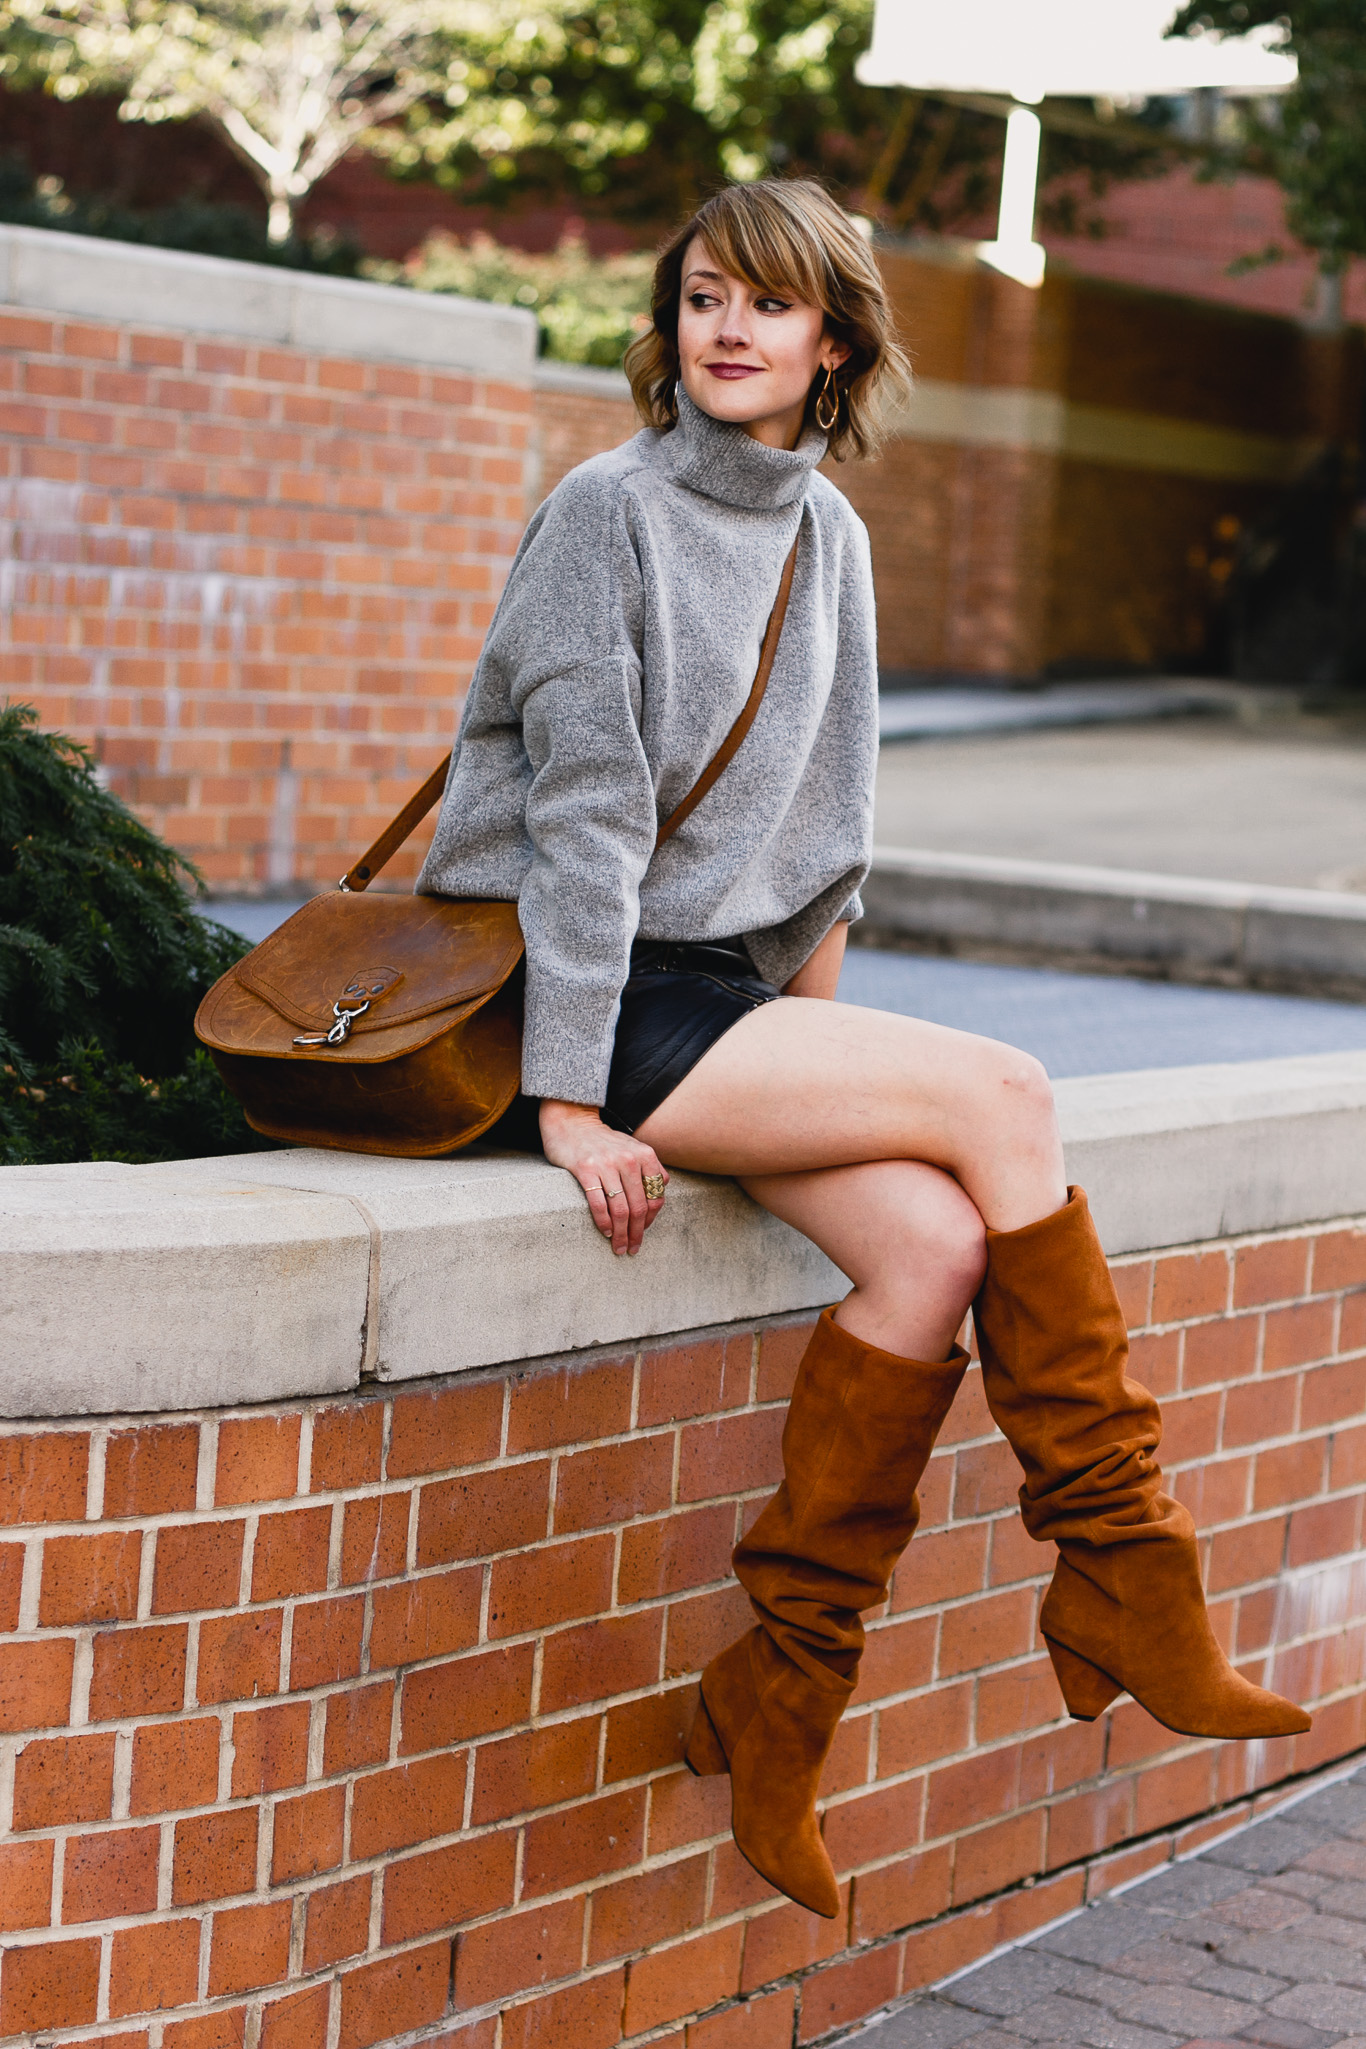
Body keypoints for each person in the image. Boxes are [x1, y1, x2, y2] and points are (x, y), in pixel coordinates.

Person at [418, 177, 1310, 1921]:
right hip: (570, 985)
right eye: (698, 299)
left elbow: (831, 831)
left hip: (716, 1006)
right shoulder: (604, 511)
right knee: (1006, 1091)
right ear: (667, 327)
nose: (726, 329)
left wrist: (814, 1084)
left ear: (833, 337)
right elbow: (585, 827)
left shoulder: (827, 532)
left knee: (932, 1235)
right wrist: (569, 1097)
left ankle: (778, 1689)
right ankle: (1124, 1572)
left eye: (764, 303)